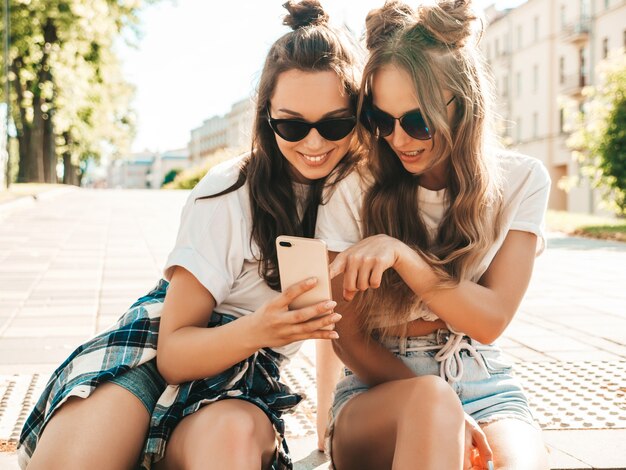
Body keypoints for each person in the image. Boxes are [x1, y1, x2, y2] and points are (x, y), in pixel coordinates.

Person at [17, 2, 364, 469]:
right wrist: (260, 327)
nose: (315, 143)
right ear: (266, 117)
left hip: (243, 384)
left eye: (336, 123)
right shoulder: (228, 189)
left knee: (229, 442)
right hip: (155, 351)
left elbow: (330, 324)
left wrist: (327, 434)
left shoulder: (361, 192)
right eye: (292, 125)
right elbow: (174, 354)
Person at [314, 1, 552, 469]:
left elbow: (489, 321)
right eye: (382, 121)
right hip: (377, 389)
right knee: (430, 409)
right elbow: (349, 338)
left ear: (464, 103)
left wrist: (405, 257)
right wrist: (442, 409)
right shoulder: (352, 186)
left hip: (482, 379)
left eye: (418, 121)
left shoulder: (522, 180)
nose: (399, 139)